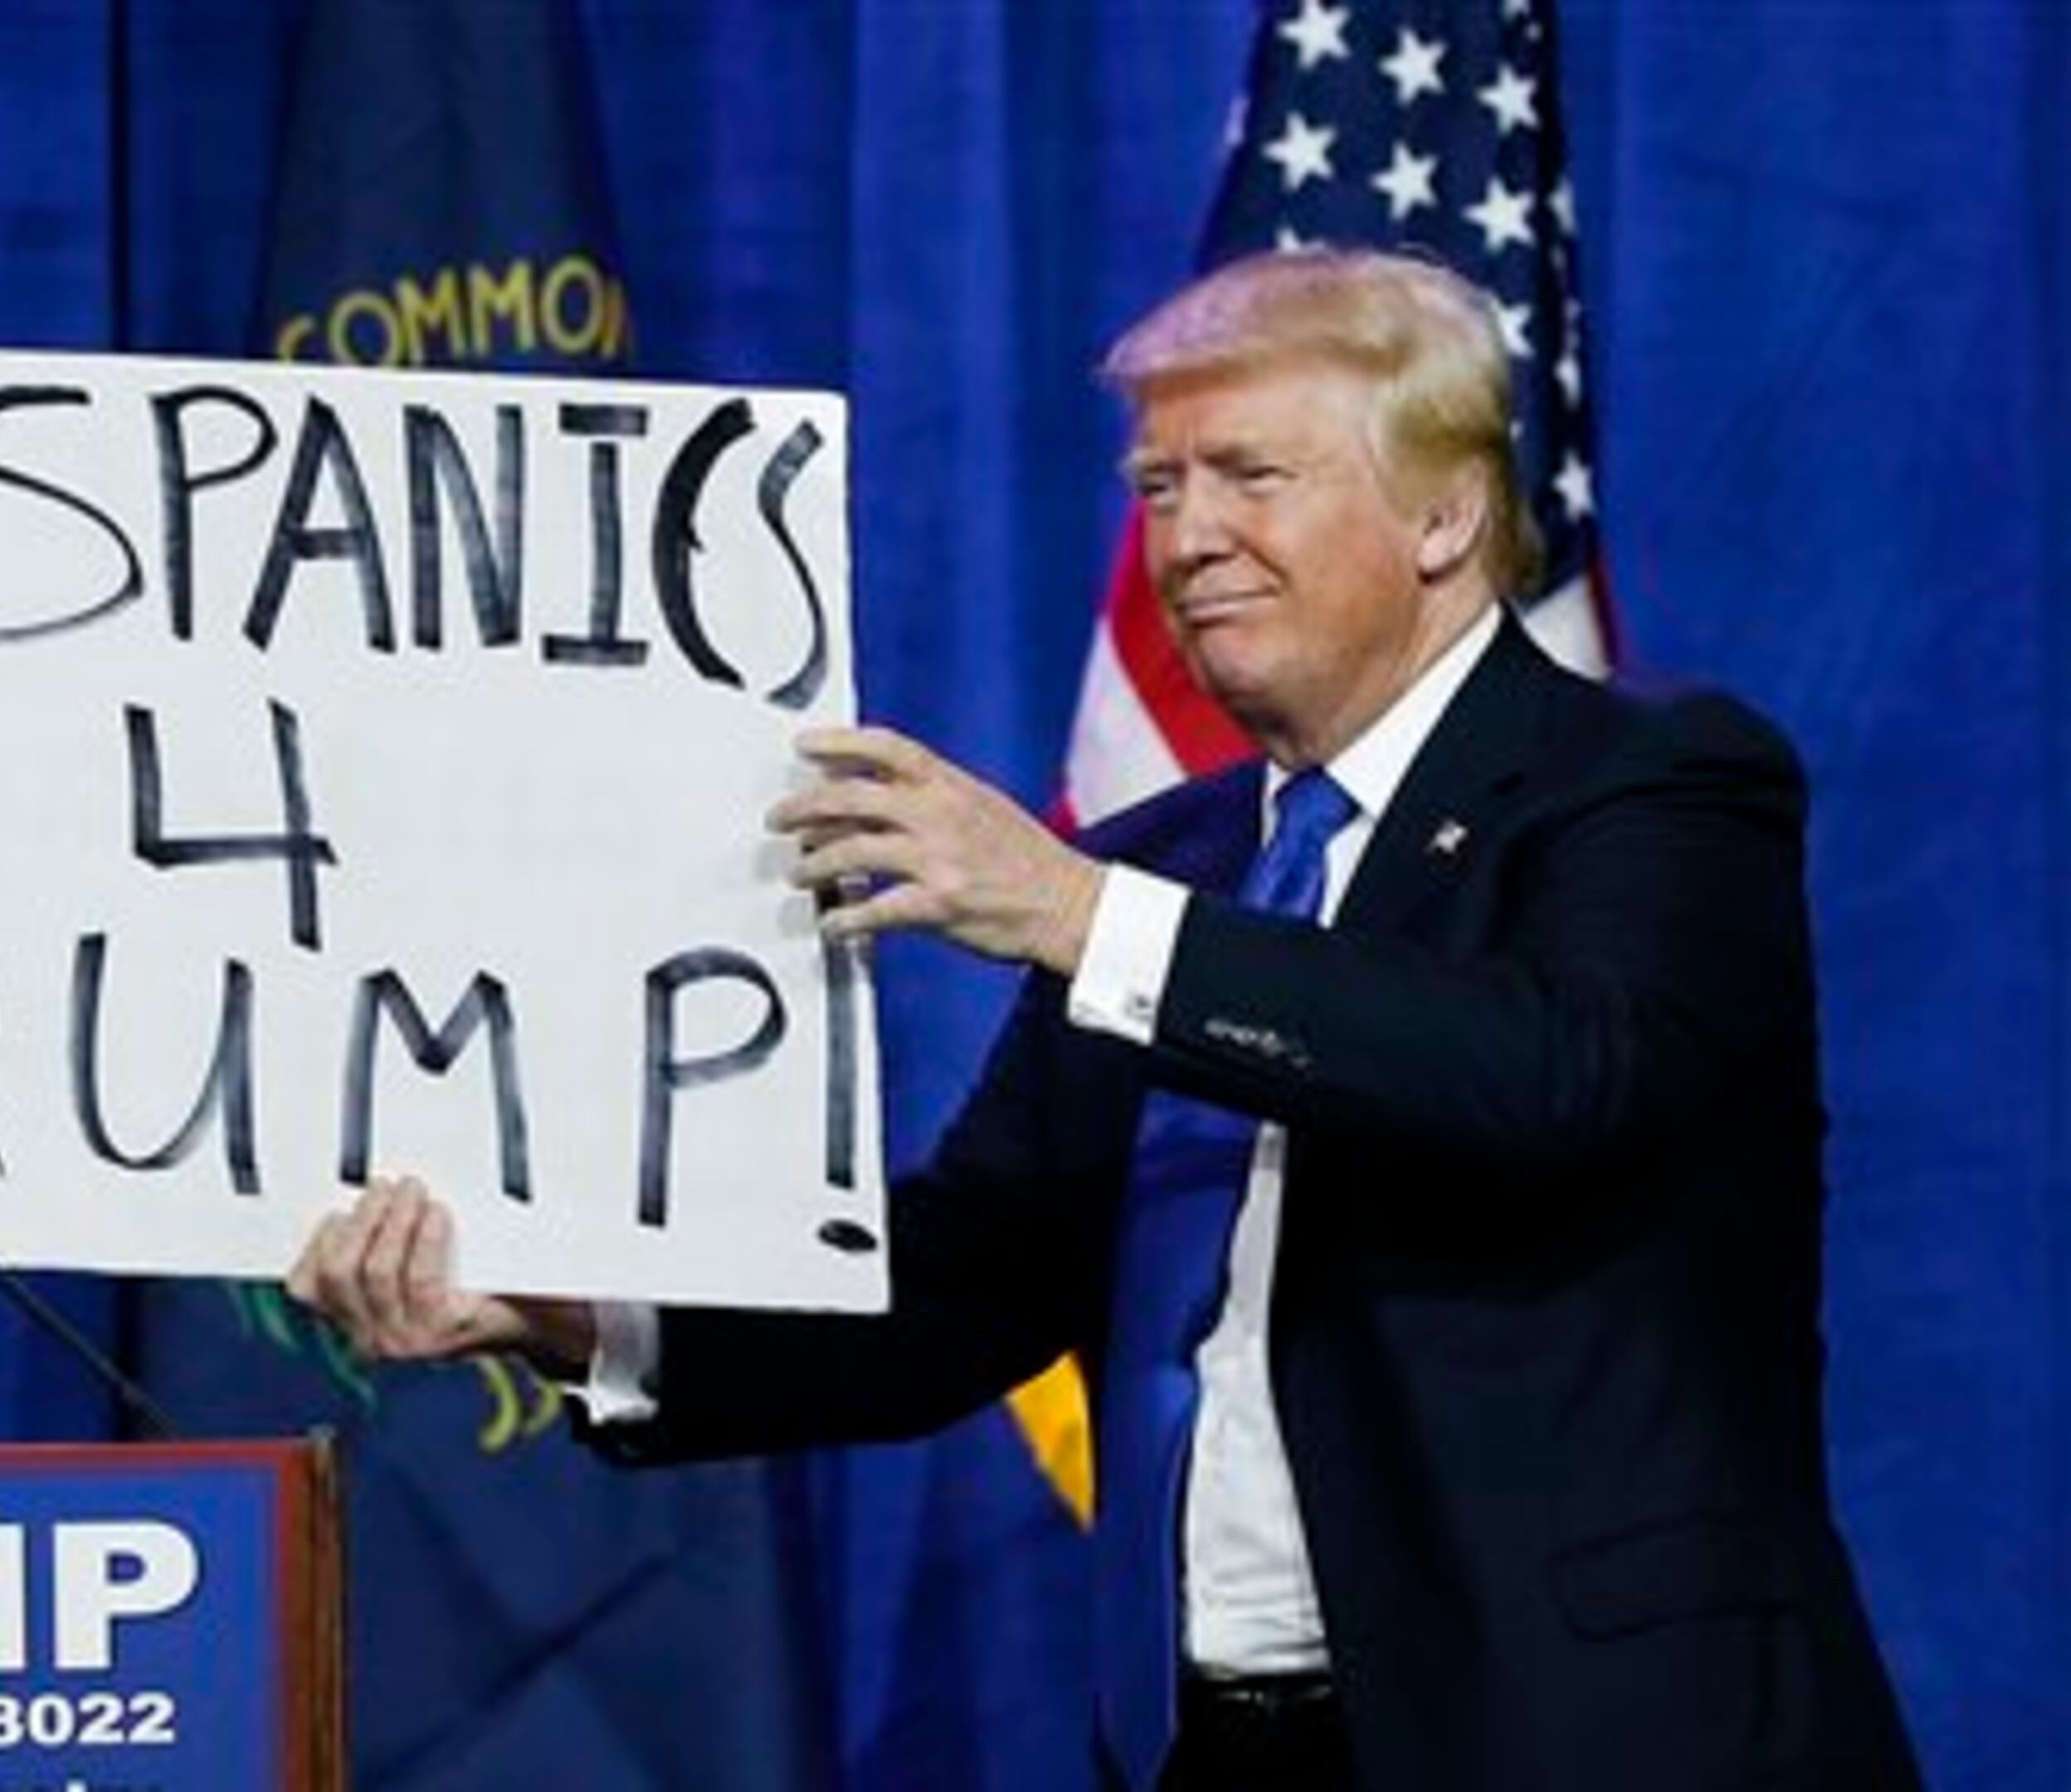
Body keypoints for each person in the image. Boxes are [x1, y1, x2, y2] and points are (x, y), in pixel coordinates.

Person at [287, 249, 1921, 1791]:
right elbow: (976, 1280)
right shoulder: (1180, 864)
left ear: (1444, 514)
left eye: (1250, 478)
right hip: (1206, 1744)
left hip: (1590, 1738)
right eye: (1159, 487)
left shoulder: (1650, 785)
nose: (1187, 537)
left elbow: (1554, 1074)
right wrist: (589, 1320)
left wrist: (1071, 917)